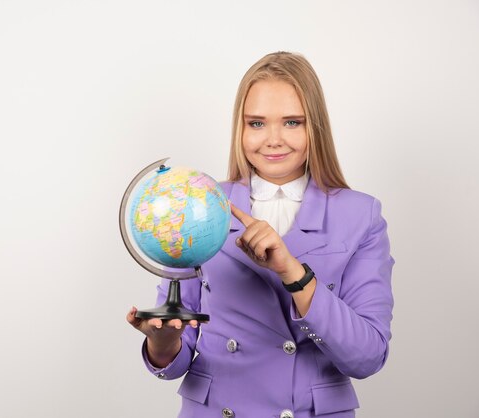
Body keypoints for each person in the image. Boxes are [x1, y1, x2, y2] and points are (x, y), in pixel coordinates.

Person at [126, 51, 394, 418]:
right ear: (240, 127)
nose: (273, 139)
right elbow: (175, 352)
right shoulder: (199, 205)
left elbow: (367, 357)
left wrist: (293, 274)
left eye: (292, 122)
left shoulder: (360, 215)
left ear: (315, 126)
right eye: (256, 123)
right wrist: (163, 342)